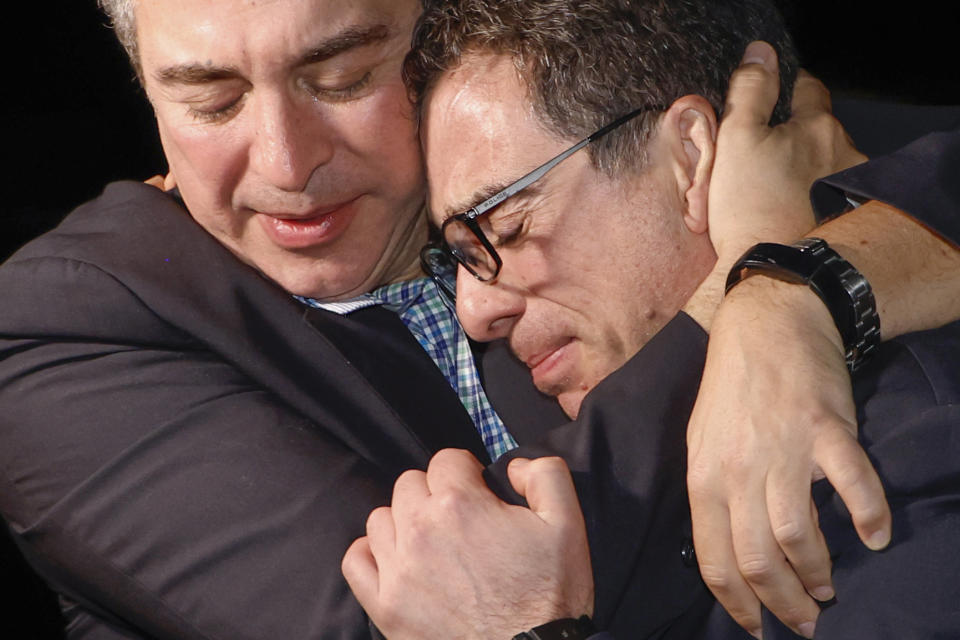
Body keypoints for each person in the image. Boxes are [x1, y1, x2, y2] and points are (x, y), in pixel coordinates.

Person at [0, 0, 956, 638]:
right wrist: (754, 290)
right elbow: (416, 606)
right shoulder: (65, 323)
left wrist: (799, 291)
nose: (286, 163)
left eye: (340, 77)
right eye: (208, 101)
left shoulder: (542, 127)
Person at [341, 1, 960, 638]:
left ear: (690, 158)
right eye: (459, 260)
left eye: (506, 227)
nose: (474, 313)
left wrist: (527, 628)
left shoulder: (911, 462)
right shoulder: (559, 419)